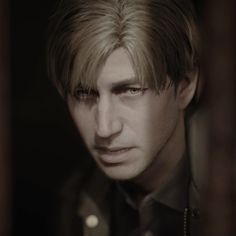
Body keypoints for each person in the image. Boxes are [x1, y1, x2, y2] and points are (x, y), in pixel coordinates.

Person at [47, 0, 202, 235]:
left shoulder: (224, 202)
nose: (105, 128)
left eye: (131, 90)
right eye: (84, 93)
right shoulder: (75, 200)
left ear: (184, 87)